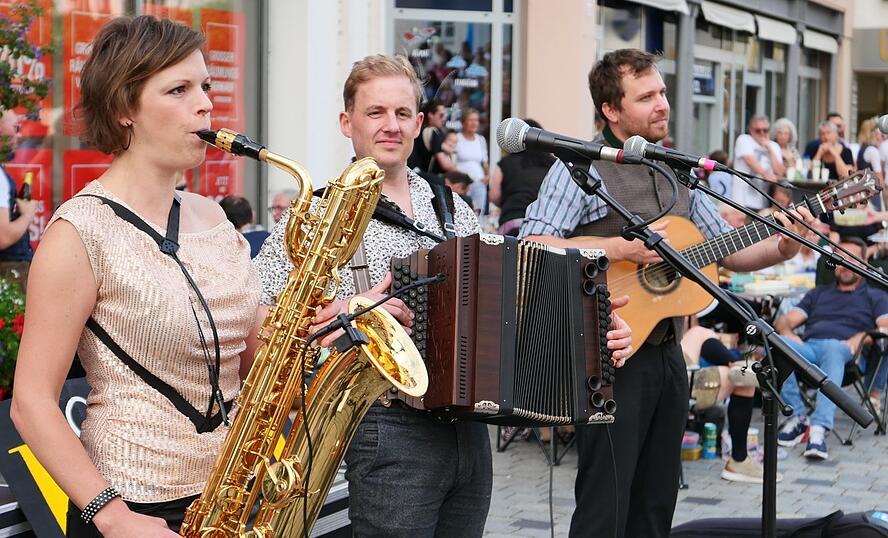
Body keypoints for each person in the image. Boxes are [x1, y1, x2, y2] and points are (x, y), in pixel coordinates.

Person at [253, 53, 635, 537]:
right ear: (346, 123)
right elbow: (266, 331)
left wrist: (594, 331)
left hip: (470, 430)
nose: (391, 126)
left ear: (418, 123)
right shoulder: (313, 216)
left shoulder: (450, 204)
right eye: (376, 113)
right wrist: (349, 313)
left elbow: (513, 305)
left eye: (402, 113)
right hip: (384, 426)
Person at [519, 48, 816, 538]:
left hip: (666, 354)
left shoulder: (674, 171)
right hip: (607, 356)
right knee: (604, 507)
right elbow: (533, 245)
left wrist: (782, 247)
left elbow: (725, 249)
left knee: (656, 505)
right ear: (611, 110)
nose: (663, 104)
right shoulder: (579, 169)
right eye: (647, 96)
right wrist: (616, 246)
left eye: (662, 92)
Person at [10, 16, 262, 536]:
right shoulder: (79, 232)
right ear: (125, 108)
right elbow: (31, 402)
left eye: (206, 86)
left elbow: (252, 349)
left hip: (236, 493)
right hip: (136, 509)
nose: (206, 105)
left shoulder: (214, 218)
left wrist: (322, 322)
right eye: (179, 89)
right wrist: (114, 516)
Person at [775, 237, 888, 460]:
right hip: (810, 350)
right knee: (779, 345)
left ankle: (819, 430)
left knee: (833, 348)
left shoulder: (875, 296)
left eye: (850, 259)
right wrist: (791, 336)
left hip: (846, 354)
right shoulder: (819, 293)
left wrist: (860, 337)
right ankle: (797, 417)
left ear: (863, 263)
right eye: (839, 259)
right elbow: (784, 323)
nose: (844, 264)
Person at [680, 326, 771, 484]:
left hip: (658, 357)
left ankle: (738, 365)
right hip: (663, 377)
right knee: (744, 380)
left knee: (699, 331)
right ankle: (739, 460)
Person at [489, 118, 555, 236]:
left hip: (512, 221)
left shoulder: (506, 163)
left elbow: (494, 196)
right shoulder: (553, 165)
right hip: (543, 225)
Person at [0, 109, 36, 291]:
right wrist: (28, 215)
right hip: (8, 271)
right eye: (15, 127)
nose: (19, 135)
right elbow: (3, 237)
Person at [732, 114, 785, 211]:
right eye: (758, 130)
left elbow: (780, 172)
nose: (762, 133)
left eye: (765, 130)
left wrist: (769, 149)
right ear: (751, 130)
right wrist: (766, 175)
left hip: (764, 202)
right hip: (742, 201)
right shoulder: (744, 139)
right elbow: (750, 160)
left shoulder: (774, 146)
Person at [455, 108, 490, 215]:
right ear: (463, 122)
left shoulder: (480, 139)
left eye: (476, 120)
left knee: (478, 214)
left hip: (479, 182)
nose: (474, 123)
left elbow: (485, 162)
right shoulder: (457, 138)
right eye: (470, 120)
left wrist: (488, 176)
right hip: (461, 184)